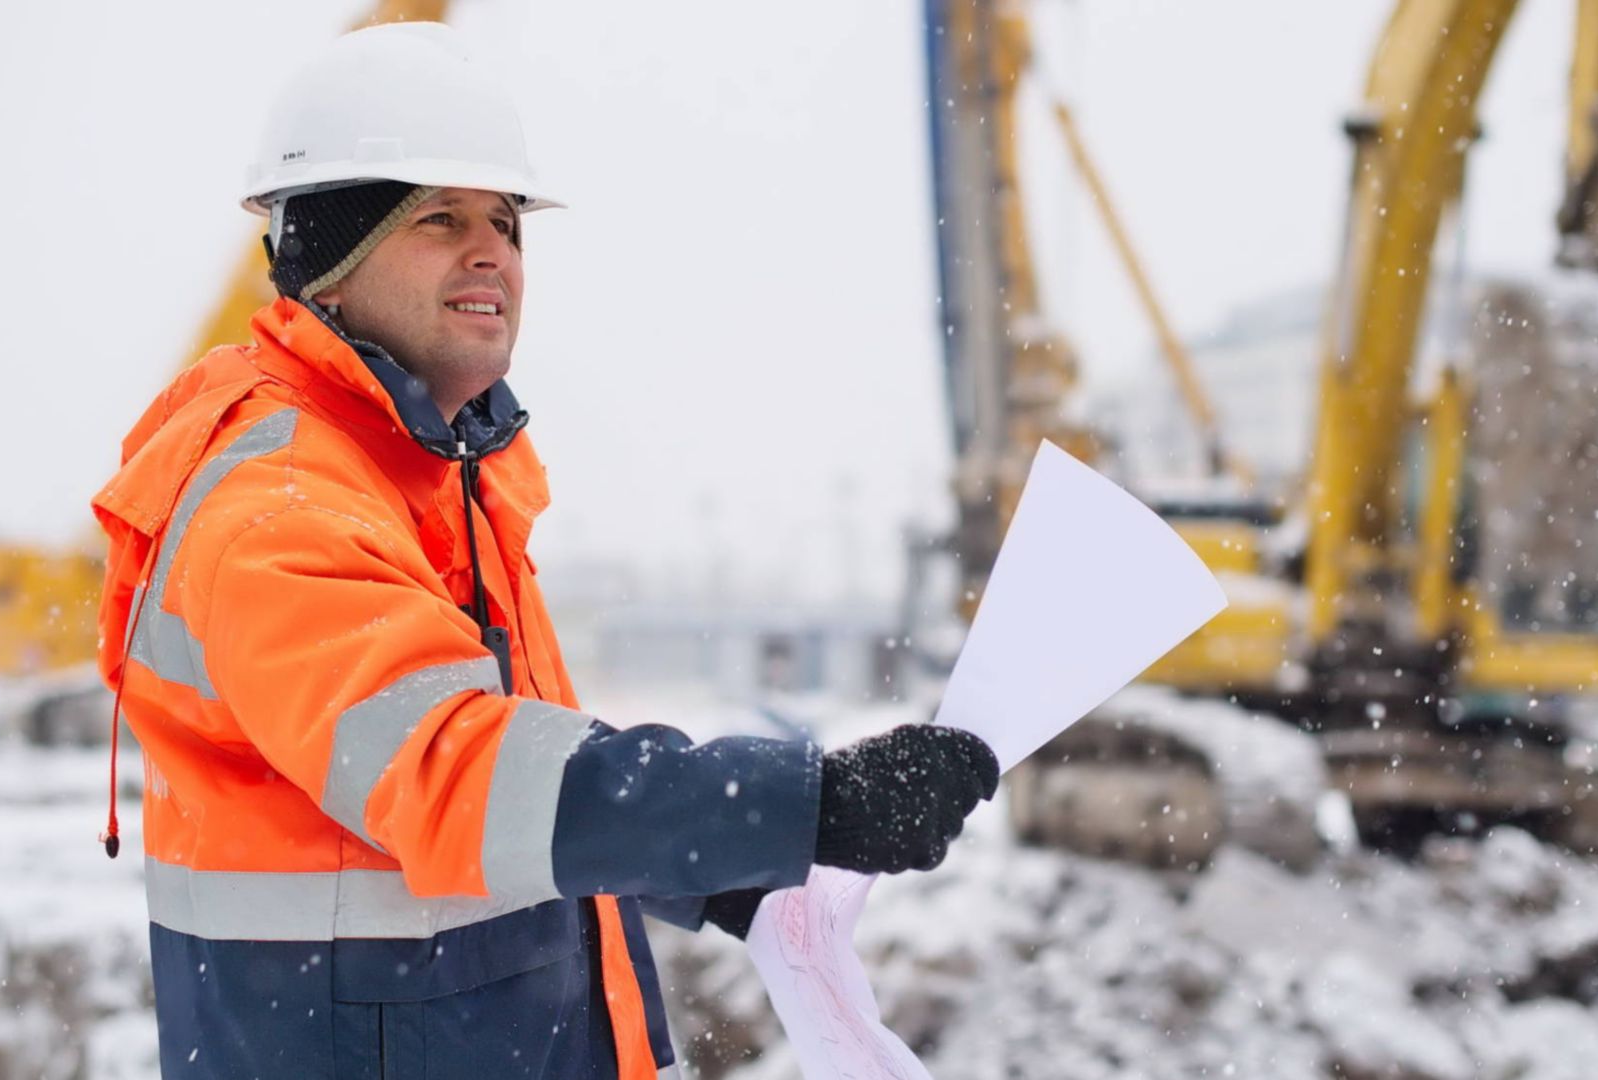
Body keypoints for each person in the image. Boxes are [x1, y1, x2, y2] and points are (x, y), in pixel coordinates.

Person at [91, 22, 999, 1080]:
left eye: (507, 223)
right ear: (326, 257)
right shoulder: (278, 503)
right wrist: (805, 804)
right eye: (439, 218)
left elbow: (523, 767)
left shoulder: (429, 473)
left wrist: (718, 875)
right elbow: (457, 772)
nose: (493, 253)